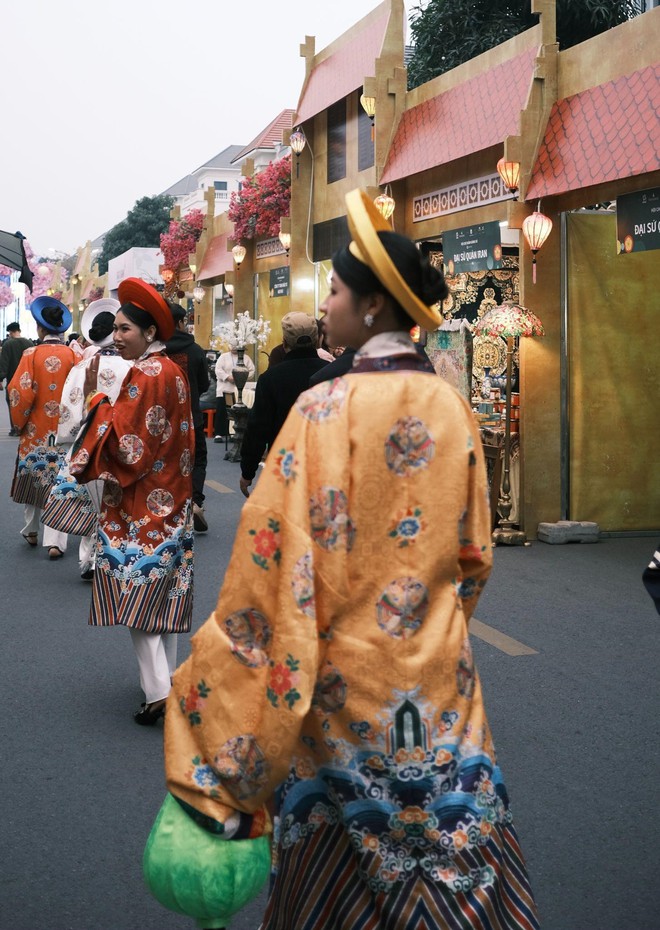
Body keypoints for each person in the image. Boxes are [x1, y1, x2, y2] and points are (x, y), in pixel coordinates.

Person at [159, 189, 539, 929]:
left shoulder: (321, 412)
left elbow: (270, 569)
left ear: (370, 309)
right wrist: (430, 628)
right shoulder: (451, 406)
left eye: (333, 290)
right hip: (438, 680)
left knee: (335, 882)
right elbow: (475, 553)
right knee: (452, 851)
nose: (325, 304)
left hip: (339, 685)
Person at [69, 278, 195, 725]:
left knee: (134, 593)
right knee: (163, 596)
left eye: (125, 329)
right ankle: (164, 682)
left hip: (140, 505)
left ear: (148, 332)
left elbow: (129, 448)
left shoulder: (145, 374)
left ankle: (158, 690)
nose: (117, 336)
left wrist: (99, 402)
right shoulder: (173, 370)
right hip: (172, 499)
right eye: (116, 328)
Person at [41, 298, 131, 579]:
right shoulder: (133, 368)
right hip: (123, 445)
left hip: (90, 443)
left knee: (91, 501)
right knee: (117, 504)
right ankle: (109, 558)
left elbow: (69, 410)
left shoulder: (82, 369)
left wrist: (70, 442)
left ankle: (88, 560)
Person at [7, 298, 77, 557]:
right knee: (62, 481)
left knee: (34, 477)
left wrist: (20, 421)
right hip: (65, 431)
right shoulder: (74, 355)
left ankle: (31, 529)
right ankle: (56, 541)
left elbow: (19, 391)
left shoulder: (30, 355)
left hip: (36, 430)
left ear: (39, 328)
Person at [239, 311, 328, 498]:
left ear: (285, 343)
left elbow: (257, 428)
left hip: (284, 463)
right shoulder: (329, 373)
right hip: (325, 463)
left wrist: (248, 472)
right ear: (318, 340)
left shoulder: (270, 379)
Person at [165, 302, 210, 532]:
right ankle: (195, 502)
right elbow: (204, 384)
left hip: (162, 419)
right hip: (191, 416)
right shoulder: (195, 350)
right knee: (197, 458)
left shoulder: (157, 350)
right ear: (181, 323)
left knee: (167, 461)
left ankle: (170, 506)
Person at [214, 346, 255, 442]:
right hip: (224, 388)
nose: (233, 347)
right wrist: (228, 377)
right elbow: (218, 370)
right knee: (222, 411)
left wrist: (242, 377)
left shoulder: (246, 358)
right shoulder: (223, 357)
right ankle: (219, 434)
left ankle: (234, 433)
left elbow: (252, 371)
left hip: (239, 389)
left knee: (237, 412)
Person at [0, 322, 33, 436]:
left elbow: (4, 363)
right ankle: (26, 426)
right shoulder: (30, 343)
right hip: (28, 380)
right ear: (19, 330)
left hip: (13, 380)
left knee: (12, 403)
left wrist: (0, 378)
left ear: (11, 332)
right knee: (27, 403)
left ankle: (15, 428)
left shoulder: (7, 345)